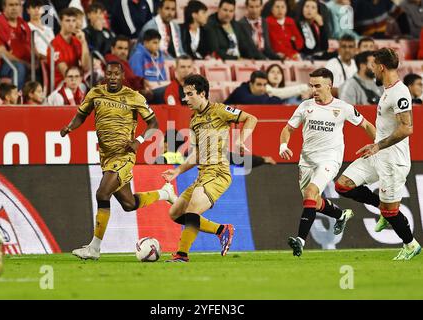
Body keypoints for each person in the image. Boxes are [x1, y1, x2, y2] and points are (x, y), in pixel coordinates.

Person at [61, 61, 177, 260]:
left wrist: (138, 141)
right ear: (105, 75)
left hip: (124, 155)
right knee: (129, 204)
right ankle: (164, 193)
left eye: (116, 74)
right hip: (106, 156)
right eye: (109, 73)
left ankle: (94, 248)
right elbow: (81, 115)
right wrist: (70, 127)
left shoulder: (134, 96)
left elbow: (153, 123)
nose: (113, 77)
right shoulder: (95, 93)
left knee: (102, 193)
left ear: (122, 76)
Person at [279, 68, 376, 257]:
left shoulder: (343, 108)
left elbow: (366, 124)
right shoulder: (305, 106)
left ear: (329, 86)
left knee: (310, 192)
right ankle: (341, 215)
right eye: (311, 86)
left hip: (330, 159)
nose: (313, 90)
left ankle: (300, 240)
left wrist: (378, 146)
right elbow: (288, 129)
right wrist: (283, 145)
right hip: (306, 161)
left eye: (317, 86)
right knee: (312, 202)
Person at [335, 48, 421, 260]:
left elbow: (407, 128)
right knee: (343, 184)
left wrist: (378, 145)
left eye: (373, 65)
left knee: (392, 210)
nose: (371, 69)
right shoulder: (387, 90)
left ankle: (411, 245)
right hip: (378, 156)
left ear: (381, 67)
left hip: (393, 160)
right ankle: (382, 208)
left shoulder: (400, 92)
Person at [161, 74, 258, 262]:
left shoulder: (220, 110)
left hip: (219, 172)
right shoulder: (194, 120)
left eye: (190, 94)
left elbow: (251, 118)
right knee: (175, 213)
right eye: (184, 94)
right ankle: (222, 230)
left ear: (203, 93)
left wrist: (240, 140)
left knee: (192, 209)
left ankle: (181, 254)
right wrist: (178, 171)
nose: (185, 99)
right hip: (202, 174)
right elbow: (197, 154)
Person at [48, 8, 91, 89]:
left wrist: (84, 43)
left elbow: (86, 67)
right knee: (82, 87)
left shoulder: (77, 41)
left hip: (77, 80)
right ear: (61, 22)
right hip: (62, 83)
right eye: (67, 20)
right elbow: (66, 72)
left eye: (73, 21)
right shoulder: (54, 44)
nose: (71, 24)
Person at [0, 0, 32, 90]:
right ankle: (16, 99)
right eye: (11, 5)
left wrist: (38, 59)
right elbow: (1, 52)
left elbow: (31, 46)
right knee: (19, 67)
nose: (14, 8)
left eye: (17, 5)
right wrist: (24, 63)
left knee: (43, 67)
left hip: (26, 62)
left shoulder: (23, 24)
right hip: (5, 65)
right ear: (4, 7)